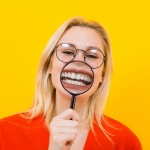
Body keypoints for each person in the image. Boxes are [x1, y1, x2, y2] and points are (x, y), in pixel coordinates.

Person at [0, 17, 142, 150]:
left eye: (92, 55)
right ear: (49, 66)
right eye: (68, 52)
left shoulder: (124, 142)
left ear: (102, 75)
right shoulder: (5, 133)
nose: (79, 61)